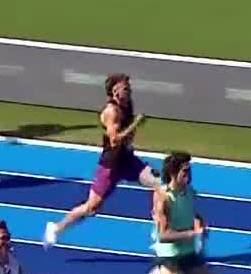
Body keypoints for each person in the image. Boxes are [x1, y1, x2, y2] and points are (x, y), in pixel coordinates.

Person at [44, 73, 163, 249]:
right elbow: (114, 140)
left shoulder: (128, 104)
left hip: (128, 161)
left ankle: (160, 230)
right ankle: (56, 228)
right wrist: (136, 125)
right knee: (91, 207)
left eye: (129, 86)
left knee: (160, 185)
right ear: (115, 91)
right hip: (110, 166)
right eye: (125, 87)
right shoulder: (111, 112)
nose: (129, 89)